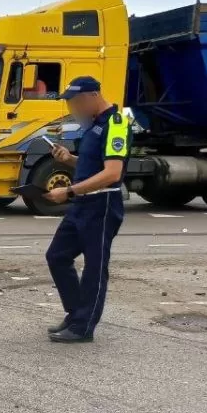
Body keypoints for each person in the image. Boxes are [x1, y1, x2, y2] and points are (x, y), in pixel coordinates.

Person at [42, 76, 129, 343]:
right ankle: (76, 313)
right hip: (82, 203)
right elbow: (94, 166)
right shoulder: (94, 126)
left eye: (76, 103)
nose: (73, 110)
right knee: (57, 255)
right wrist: (70, 160)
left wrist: (68, 191)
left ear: (92, 96)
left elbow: (112, 174)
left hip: (101, 204)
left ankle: (83, 326)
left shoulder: (116, 124)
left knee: (95, 267)